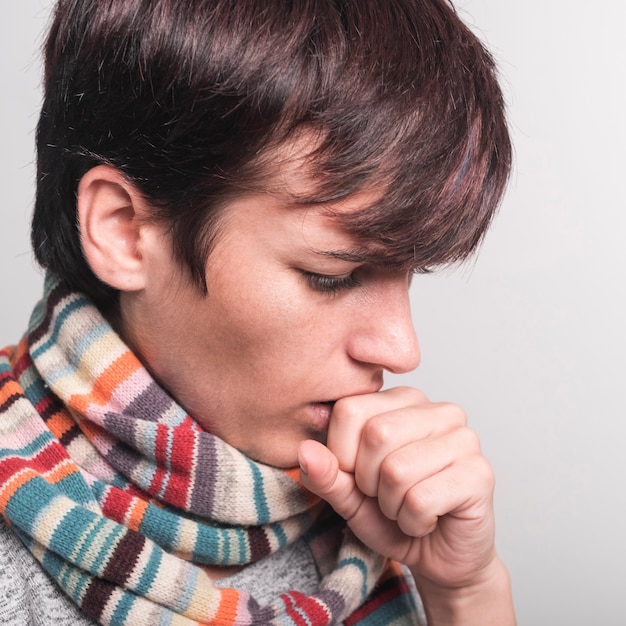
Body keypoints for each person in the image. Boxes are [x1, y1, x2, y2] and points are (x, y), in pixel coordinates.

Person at [0, 0, 515, 624]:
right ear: (125, 230)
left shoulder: (370, 510)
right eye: (332, 276)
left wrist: (464, 590)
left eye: (407, 275)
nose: (403, 349)